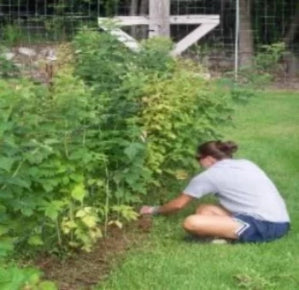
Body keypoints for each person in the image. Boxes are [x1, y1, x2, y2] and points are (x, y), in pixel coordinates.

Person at [140, 140, 290, 243]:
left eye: (199, 160)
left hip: (266, 226)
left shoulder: (210, 175)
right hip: (280, 220)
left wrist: (153, 210)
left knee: (192, 222)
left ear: (209, 159)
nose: (200, 165)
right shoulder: (246, 163)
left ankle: (224, 239)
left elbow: (178, 205)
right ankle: (221, 238)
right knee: (204, 209)